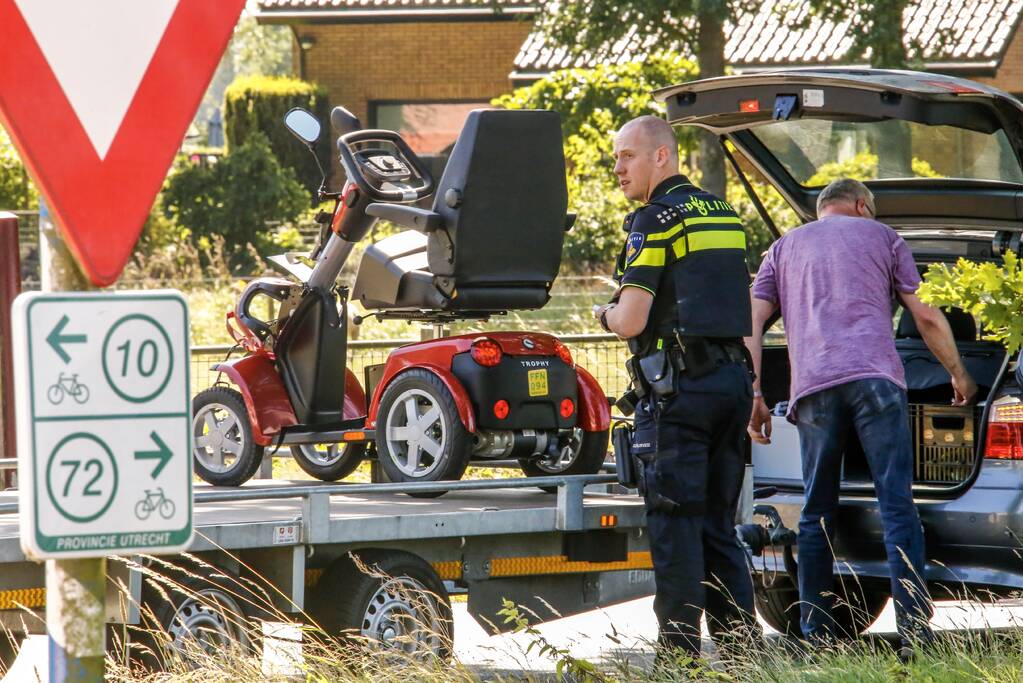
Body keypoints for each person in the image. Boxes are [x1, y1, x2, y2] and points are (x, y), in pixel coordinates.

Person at [745, 178, 978, 646]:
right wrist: (959, 373)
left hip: (813, 387)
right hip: (875, 381)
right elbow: (927, 316)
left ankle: (815, 631)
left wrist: (754, 394)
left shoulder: (784, 247)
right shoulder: (884, 237)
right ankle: (913, 627)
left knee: (815, 511)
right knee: (896, 504)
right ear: (860, 206)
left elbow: (749, 321)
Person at [593, 115, 758, 660]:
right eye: (617, 158)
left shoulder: (655, 219)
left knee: (675, 525)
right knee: (718, 524)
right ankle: (741, 657)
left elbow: (633, 319)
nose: (618, 168)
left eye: (627, 157)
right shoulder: (725, 214)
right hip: (732, 384)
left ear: (661, 157)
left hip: (678, 394)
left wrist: (604, 313)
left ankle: (679, 660)